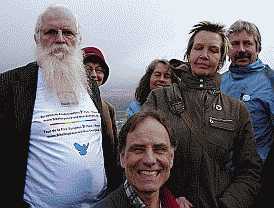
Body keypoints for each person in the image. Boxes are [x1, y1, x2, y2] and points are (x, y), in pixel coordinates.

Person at [0, 5, 121, 207]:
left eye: (68, 32)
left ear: (78, 39)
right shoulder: (10, 85)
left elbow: (105, 145)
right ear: (37, 38)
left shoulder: (89, 84)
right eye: (50, 32)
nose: (60, 39)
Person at [142, 21, 262, 208]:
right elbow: (142, 154)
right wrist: (168, 196)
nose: (204, 55)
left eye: (213, 50)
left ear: (222, 59)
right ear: (188, 54)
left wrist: (227, 204)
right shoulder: (159, 98)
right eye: (198, 48)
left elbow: (249, 170)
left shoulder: (237, 110)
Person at [93, 111, 185, 208]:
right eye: (138, 150)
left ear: (171, 158)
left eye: (159, 150)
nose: (150, 160)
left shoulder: (172, 203)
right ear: (122, 157)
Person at [220, 20, 274, 161]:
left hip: (260, 174)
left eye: (248, 43)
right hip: (221, 174)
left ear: (258, 48)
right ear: (227, 50)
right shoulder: (217, 82)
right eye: (235, 44)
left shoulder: (270, 80)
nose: (241, 50)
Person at [82, 46, 118, 150]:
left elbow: (113, 145)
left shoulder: (108, 108)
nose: (93, 75)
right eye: (87, 69)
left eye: (99, 70)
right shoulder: (65, 104)